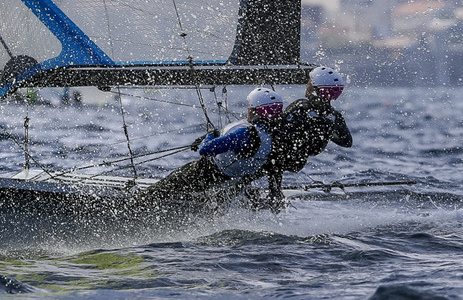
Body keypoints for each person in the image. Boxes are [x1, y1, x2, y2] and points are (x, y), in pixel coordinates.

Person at [138, 87, 283, 208]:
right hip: (229, 179)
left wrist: (210, 135)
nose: (248, 112)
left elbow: (205, 150)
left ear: (256, 111)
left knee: (162, 188)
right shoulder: (273, 135)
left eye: (250, 109)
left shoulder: (245, 134)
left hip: (206, 172)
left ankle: (138, 204)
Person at [261, 66, 354, 201]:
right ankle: (274, 191)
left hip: (280, 160)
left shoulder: (300, 106)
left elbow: (278, 130)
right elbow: (347, 142)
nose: (307, 85)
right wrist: (326, 131)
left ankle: (274, 193)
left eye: (310, 82)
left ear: (316, 89)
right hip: (300, 161)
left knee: (272, 152)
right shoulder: (334, 116)